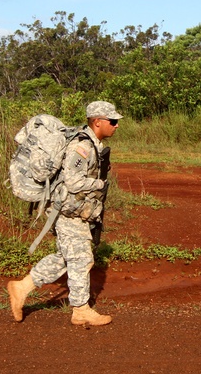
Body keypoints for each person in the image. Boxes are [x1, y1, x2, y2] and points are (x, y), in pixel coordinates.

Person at [7, 100, 122, 326]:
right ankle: (80, 310)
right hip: (70, 211)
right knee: (81, 258)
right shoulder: (82, 147)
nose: (116, 125)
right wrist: (100, 185)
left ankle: (21, 287)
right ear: (97, 122)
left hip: (75, 210)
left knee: (64, 258)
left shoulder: (93, 144)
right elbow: (73, 181)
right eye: (113, 121)